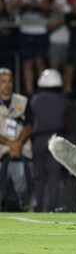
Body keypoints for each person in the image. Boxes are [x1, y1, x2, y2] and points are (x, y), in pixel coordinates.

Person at [29, 69, 70, 212]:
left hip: (38, 140)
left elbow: (31, 122)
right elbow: (66, 123)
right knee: (54, 178)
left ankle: (37, 207)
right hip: (56, 140)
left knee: (38, 177)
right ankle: (51, 209)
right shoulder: (64, 101)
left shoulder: (35, 100)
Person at [0, 68, 34, 211]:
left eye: (9, 81)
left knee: (24, 185)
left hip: (21, 151)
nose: (7, 85)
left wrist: (18, 143)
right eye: (3, 82)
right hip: (2, 151)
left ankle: (29, 208)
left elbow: (29, 125)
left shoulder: (23, 101)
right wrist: (11, 144)